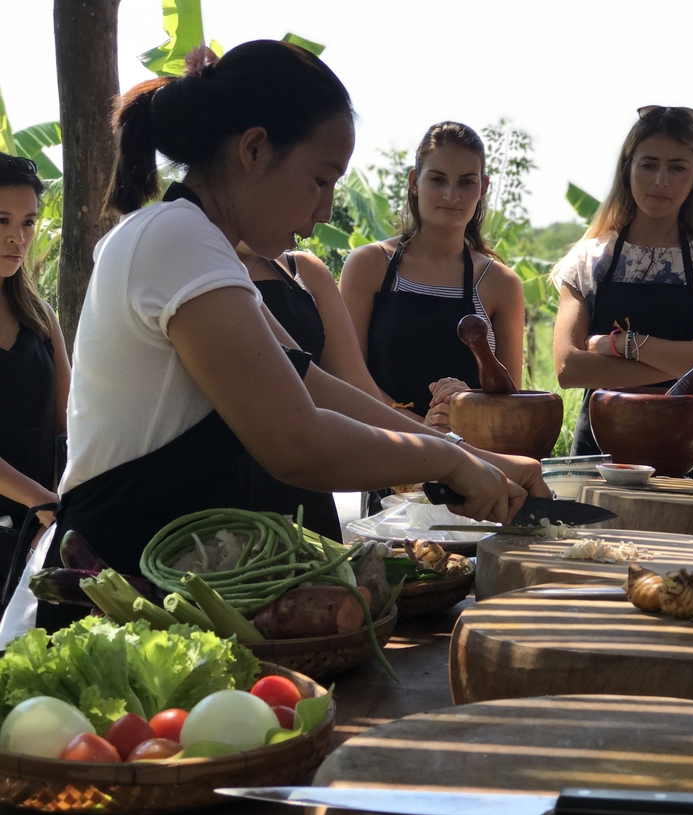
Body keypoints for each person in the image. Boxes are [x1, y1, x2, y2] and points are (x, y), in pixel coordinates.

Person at [20, 41, 547, 635]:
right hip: (119, 594)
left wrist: (485, 459)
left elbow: (311, 383)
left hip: (172, 586)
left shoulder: (202, 246)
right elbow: (296, 440)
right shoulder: (175, 239)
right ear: (253, 149)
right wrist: (448, 459)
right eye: (321, 180)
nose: (325, 210)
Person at [553, 105, 693, 479]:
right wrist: (689, 360)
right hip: (599, 459)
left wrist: (623, 344)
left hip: (687, 460)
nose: (661, 180)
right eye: (649, 164)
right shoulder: (589, 259)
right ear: (627, 168)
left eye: (678, 167)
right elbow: (568, 368)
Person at [340, 120, 525, 429]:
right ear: (414, 181)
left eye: (466, 182)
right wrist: (421, 428)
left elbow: (513, 404)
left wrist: (469, 404)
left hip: (469, 463)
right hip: (377, 453)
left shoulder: (501, 284)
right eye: (438, 179)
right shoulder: (369, 266)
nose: (451, 194)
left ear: (483, 188)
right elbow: (347, 380)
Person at [236, 244, 385, 539]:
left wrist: (427, 440)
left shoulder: (304, 270)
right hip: (222, 494)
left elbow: (353, 385)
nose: (323, 215)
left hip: (307, 492)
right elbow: (309, 383)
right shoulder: (199, 268)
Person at [0, 154, 70, 606]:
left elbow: (69, 422)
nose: (17, 237)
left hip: (37, 537)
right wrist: (44, 503)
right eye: (2, 219)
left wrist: (63, 504)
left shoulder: (41, 316)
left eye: (27, 222)